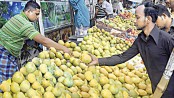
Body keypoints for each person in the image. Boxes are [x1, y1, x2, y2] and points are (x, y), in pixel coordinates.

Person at [89, 5, 174, 98]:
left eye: (137, 18)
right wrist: (98, 61)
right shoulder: (140, 40)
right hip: (157, 90)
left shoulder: (166, 39)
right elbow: (123, 57)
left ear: (148, 19)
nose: (134, 21)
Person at [0, 1, 71, 83]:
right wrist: (64, 49)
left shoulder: (18, 17)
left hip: (7, 53)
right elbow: (44, 41)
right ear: (28, 11)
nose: (37, 17)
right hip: (3, 53)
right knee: (6, 84)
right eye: (36, 14)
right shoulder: (24, 23)